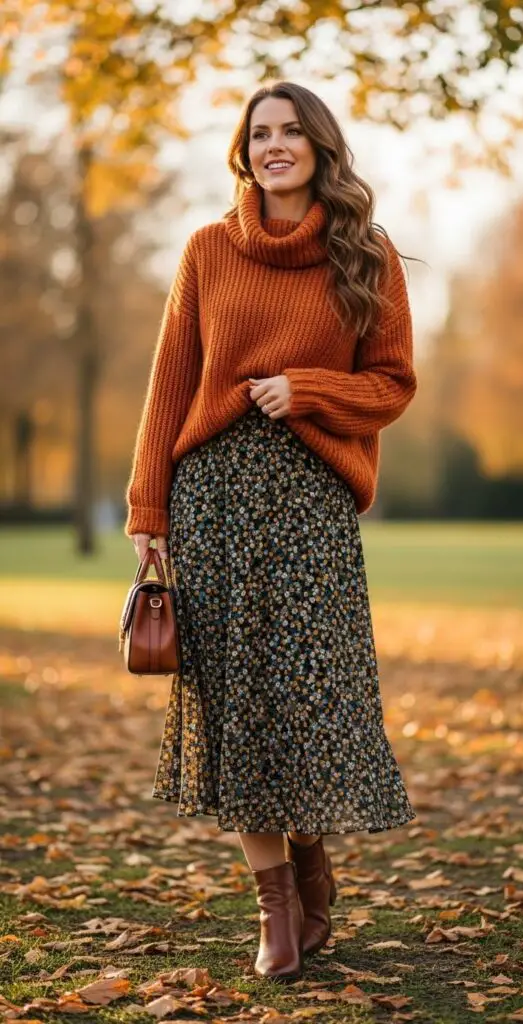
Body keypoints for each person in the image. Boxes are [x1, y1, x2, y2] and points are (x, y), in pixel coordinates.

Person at [124, 80, 418, 983]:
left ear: (320, 147)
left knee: (309, 700)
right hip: (212, 497)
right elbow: (170, 381)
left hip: (312, 503)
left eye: (291, 131)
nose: (275, 146)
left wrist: (309, 390)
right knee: (234, 703)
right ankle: (276, 906)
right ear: (243, 151)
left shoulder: (366, 254)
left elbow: (394, 384)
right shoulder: (207, 250)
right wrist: (148, 509)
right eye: (260, 133)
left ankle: (312, 856)